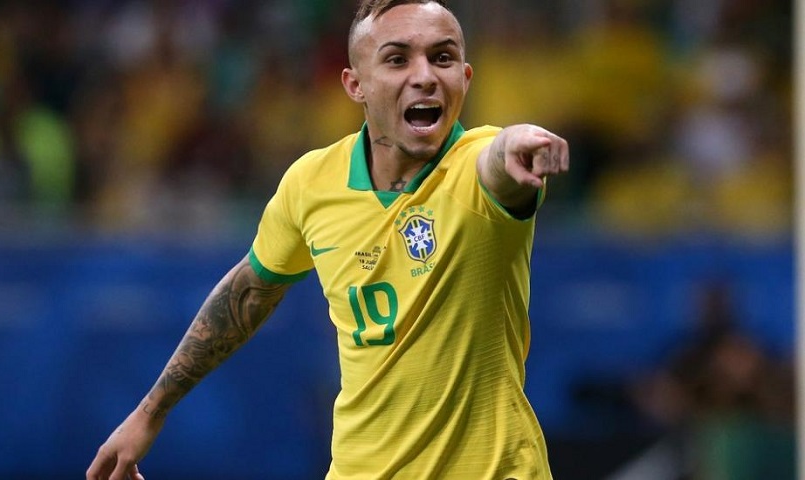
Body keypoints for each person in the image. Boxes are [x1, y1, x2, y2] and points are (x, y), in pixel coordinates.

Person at [86, 1, 569, 478]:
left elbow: (500, 155)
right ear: (356, 85)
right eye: (397, 59)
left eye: (442, 58)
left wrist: (521, 143)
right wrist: (149, 412)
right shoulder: (312, 183)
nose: (424, 76)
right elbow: (249, 291)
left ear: (465, 77)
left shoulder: (478, 163)